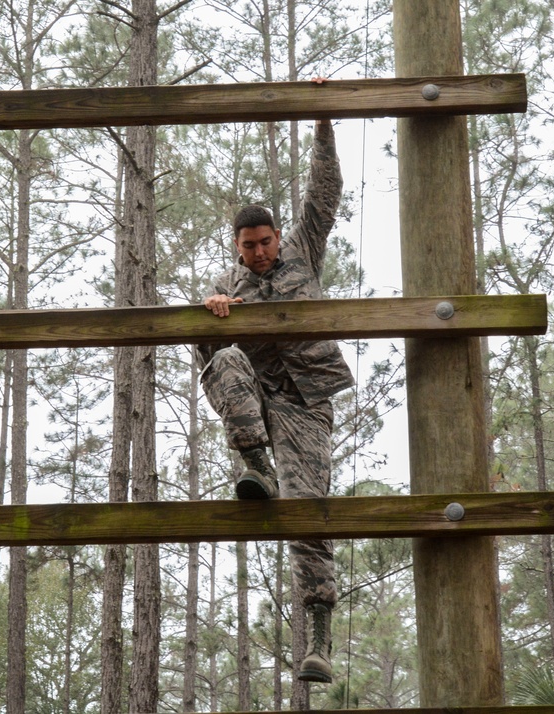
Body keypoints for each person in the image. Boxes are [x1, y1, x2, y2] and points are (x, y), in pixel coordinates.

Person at [196, 117, 352, 684]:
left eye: (265, 243)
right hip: (259, 400)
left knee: (306, 509)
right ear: (236, 247)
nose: (259, 253)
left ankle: (319, 637)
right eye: (248, 246)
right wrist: (213, 313)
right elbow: (210, 365)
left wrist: (324, 130)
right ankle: (255, 466)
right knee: (226, 355)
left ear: (277, 237)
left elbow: (323, 194)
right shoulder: (226, 285)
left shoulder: (303, 253)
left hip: (306, 403)